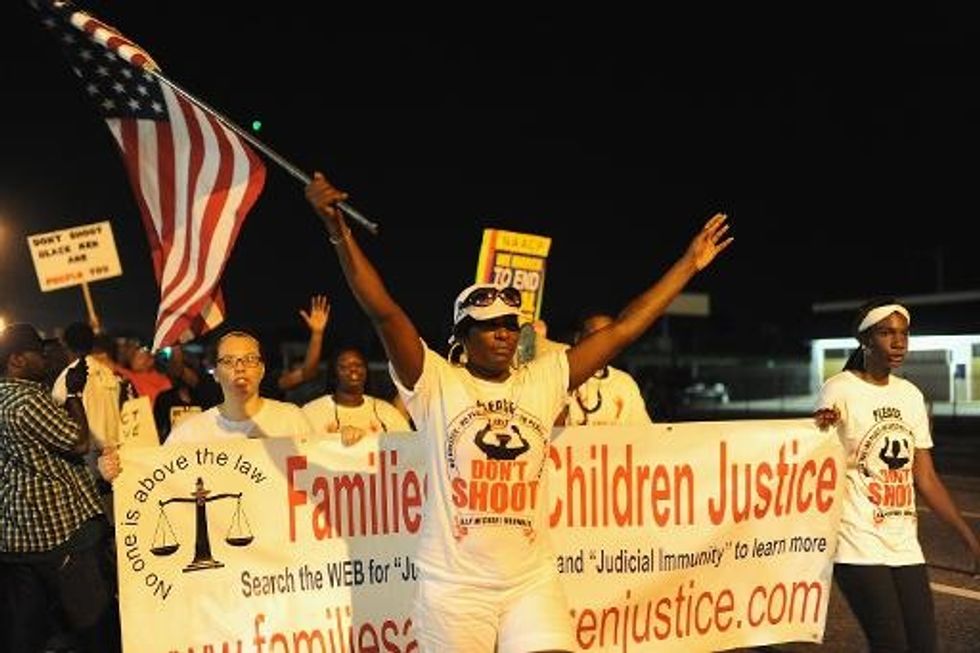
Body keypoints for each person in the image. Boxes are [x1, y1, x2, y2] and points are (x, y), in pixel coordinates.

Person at [306, 171, 732, 653]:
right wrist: (337, 231)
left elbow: (625, 329)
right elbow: (383, 310)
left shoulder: (543, 379)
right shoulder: (437, 383)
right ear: (462, 338)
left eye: (511, 324)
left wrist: (688, 263)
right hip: (454, 590)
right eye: (489, 327)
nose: (505, 334)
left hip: (531, 583)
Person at [814, 297, 980, 652]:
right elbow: (813, 457)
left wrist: (970, 540)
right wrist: (820, 426)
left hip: (905, 544)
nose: (898, 342)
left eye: (904, 333)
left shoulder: (910, 396)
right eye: (887, 333)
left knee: (923, 645)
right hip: (855, 543)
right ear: (865, 339)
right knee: (891, 644)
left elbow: (927, 479)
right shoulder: (839, 388)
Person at [0, 323, 121, 653]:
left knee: (25, 633)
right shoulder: (25, 400)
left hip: (18, 537)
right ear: (17, 360)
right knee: (95, 626)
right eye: (38, 352)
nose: (46, 356)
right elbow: (79, 441)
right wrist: (73, 394)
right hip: (59, 535)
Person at [166, 330, 314, 444]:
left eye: (250, 359)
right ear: (216, 373)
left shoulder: (291, 420)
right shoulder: (190, 434)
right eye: (229, 361)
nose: (240, 367)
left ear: (262, 370)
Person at [302, 346, 412, 445]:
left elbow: (408, 447)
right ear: (333, 374)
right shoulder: (310, 412)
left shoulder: (387, 413)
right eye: (344, 366)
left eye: (358, 365)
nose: (353, 369)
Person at [563, 312, 653, 426]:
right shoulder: (559, 375)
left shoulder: (624, 383)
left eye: (609, 337)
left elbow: (643, 433)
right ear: (577, 338)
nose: (602, 343)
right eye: (595, 336)